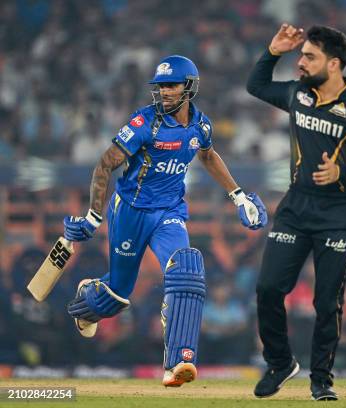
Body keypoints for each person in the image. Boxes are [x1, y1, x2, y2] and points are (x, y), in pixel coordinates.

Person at [63, 55, 268, 387]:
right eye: (160, 87)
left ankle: (178, 363)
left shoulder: (200, 125)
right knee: (117, 293)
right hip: (130, 210)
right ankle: (88, 299)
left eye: (171, 86)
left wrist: (238, 195)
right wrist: (92, 216)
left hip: (170, 212)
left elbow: (207, 154)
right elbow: (104, 165)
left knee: (186, 267)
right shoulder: (144, 124)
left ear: (189, 87)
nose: (164, 92)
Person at [246, 24, 346, 400]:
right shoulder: (297, 93)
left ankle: (321, 379)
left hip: (337, 214)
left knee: (326, 302)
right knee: (268, 288)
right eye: (300, 55)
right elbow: (256, 86)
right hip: (295, 207)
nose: (301, 62)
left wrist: (343, 172)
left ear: (335, 63)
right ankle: (280, 363)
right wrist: (272, 51)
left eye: (309, 56)